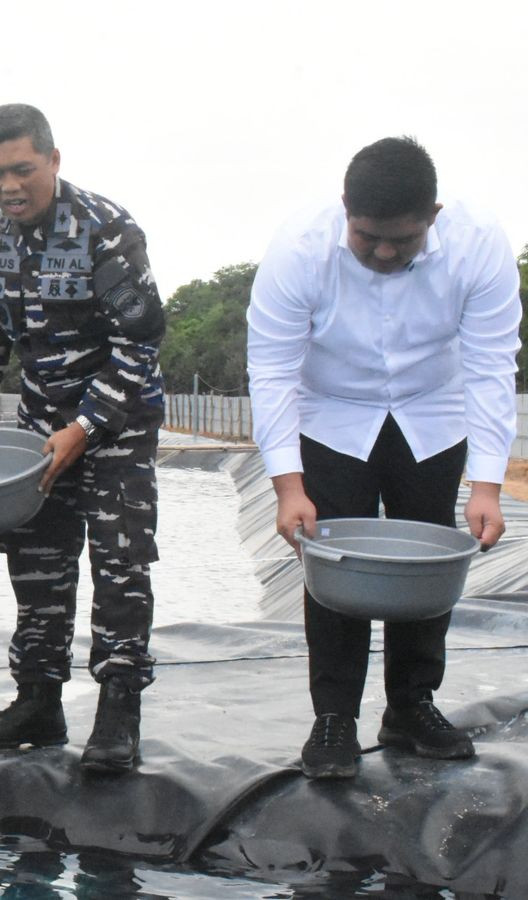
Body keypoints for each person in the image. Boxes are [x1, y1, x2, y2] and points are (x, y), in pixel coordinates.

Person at [247, 136, 520, 779]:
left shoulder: (479, 244)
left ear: (435, 212)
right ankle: (334, 716)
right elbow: (273, 369)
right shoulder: (299, 249)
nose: (386, 252)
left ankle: (412, 704)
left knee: (425, 560)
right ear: (346, 209)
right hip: (332, 414)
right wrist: (288, 487)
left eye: (404, 238)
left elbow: (489, 368)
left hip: (431, 412)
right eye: (369, 237)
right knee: (332, 558)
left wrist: (487, 486)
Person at [0, 104, 165, 774]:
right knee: (35, 561)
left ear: (53, 160)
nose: (8, 186)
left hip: (116, 425)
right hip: (40, 428)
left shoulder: (106, 229)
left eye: (21, 169)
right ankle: (38, 701)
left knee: (119, 565)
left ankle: (118, 713)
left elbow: (142, 341)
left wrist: (86, 427)